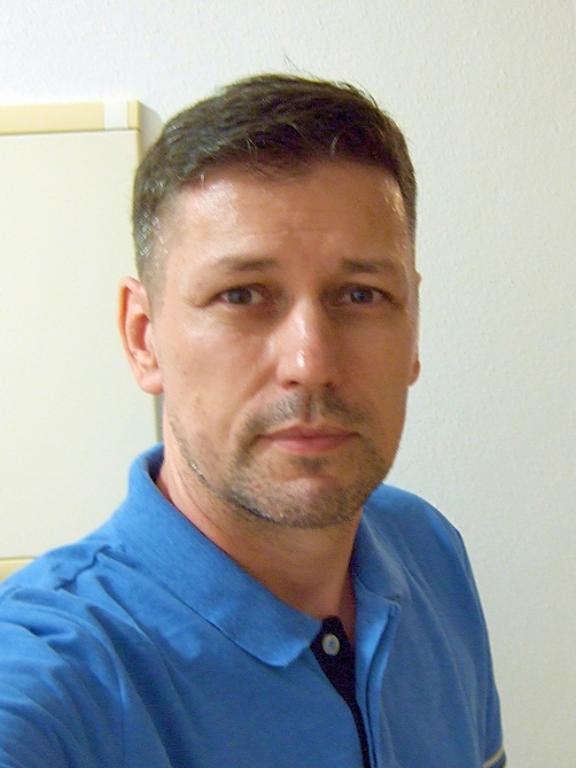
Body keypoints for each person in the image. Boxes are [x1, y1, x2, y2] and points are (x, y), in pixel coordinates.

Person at [0, 74, 506, 768]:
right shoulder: (58, 676)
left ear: (413, 326)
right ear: (144, 338)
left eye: (361, 295)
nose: (310, 362)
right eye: (242, 295)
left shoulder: (430, 550)